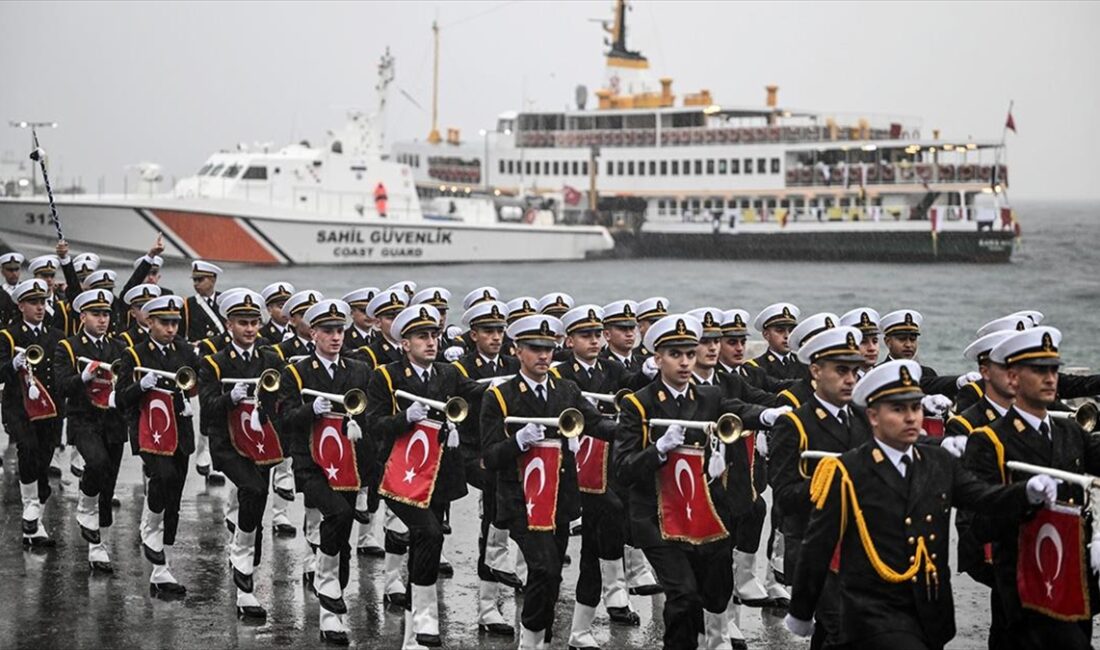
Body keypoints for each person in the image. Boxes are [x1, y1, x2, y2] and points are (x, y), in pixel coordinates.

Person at [785, 359, 1058, 650]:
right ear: (874, 416)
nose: (911, 418)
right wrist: (801, 611)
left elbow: (982, 497)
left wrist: (1025, 493)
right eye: (898, 409)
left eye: (915, 408)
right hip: (871, 613)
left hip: (929, 610)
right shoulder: (849, 471)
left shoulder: (938, 463)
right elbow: (818, 545)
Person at [481, 314, 617, 649]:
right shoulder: (500, 397)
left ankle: (541, 637)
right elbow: (490, 456)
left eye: (549, 348)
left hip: (558, 499)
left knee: (553, 573)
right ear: (517, 350)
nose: (544, 355)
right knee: (541, 568)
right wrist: (518, 441)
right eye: (535, 348)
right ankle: (530, 642)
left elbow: (598, 424)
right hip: (521, 500)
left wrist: (640, 429)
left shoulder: (566, 390)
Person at [963, 327, 1100, 650]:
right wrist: (1024, 499)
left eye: (1053, 369)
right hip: (1024, 583)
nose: (1051, 378)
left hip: (1073, 581)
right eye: (1039, 370)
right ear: (1012, 378)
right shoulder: (990, 440)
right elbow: (979, 525)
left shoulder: (1071, 432)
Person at [614, 313, 740, 649]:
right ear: (657, 359)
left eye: (689, 353)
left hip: (700, 511)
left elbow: (737, 409)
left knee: (714, 586)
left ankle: (713, 638)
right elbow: (623, 469)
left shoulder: (709, 396)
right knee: (682, 594)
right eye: (675, 354)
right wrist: (658, 449)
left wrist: (775, 415)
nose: (685, 362)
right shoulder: (639, 404)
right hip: (655, 516)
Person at [365, 304, 485, 648]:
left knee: (428, 541)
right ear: (405, 343)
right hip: (398, 474)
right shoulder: (385, 376)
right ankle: (424, 617)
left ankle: (413, 630)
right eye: (421, 337)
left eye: (433, 335)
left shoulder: (448, 373)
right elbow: (373, 424)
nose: (431, 342)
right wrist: (405, 418)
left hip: (438, 474)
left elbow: (475, 393)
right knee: (428, 531)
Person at [275, 299, 371, 646]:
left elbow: (369, 415)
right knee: (338, 512)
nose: (335, 337)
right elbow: (284, 419)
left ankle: (333, 606)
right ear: (312, 332)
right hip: (310, 465)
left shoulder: (359, 370)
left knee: (342, 539)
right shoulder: (296, 373)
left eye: (340, 330)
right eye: (328, 330)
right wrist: (308, 411)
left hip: (347, 465)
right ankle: (326, 588)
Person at [768, 325, 869, 649]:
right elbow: (783, 497)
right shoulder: (795, 424)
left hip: (856, 545)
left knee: (832, 634)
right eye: (841, 370)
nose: (851, 379)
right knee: (841, 629)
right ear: (815, 370)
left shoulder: (863, 419)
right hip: (813, 549)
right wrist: (824, 483)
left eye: (855, 370)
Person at [550, 305, 640, 649]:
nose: (594, 341)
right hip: (569, 462)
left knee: (604, 529)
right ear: (570, 340)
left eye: (598, 334)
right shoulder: (562, 375)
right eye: (585, 335)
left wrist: (650, 371)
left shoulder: (613, 368)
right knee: (557, 545)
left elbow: (634, 389)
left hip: (606, 462)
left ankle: (602, 608)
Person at [197, 289, 284, 620]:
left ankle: (245, 583)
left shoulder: (270, 360)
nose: (249, 329)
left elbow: (282, 401)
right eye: (242, 323)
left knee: (256, 508)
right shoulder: (214, 364)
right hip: (227, 445)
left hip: (260, 444)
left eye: (254, 323)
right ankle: (241, 557)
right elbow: (207, 409)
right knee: (254, 489)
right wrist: (230, 398)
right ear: (229, 324)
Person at [115, 295, 200, 598]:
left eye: (175, 322)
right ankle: (149, 528)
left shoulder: (186, 351)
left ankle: (161, 568)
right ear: (148, 322)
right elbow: (120, 398)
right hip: (149, 432)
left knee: (175, 493)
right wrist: (141, 385)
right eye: (164, 322)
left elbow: (197, 382)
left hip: (180, 431)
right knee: (161, 478)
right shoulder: (134, 355)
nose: (171, 328)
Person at [451, 299, 521, 636]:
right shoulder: (462, 366)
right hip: (471, 450)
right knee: (496, 490)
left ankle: (505, 558)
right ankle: (488, 602)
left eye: (499, 330)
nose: (496, 337)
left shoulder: (511, 361)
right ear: (473, 334)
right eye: (488, 331)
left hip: (503, 449)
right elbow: (467, 391)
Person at [55, 289, 129, 572]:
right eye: (96, 314)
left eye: (106, 314)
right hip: (83, 419)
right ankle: (85, 504)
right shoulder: (69, 347)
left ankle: (98, 546)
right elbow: (62, 386)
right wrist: (83, 377)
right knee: (96, 463)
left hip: (113, 420)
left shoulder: (119, 346)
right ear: (82, 316)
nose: (103, 320)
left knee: (108, 484)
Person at [0, 278, 66, 547]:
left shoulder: (56, 337)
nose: (40, 308)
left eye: (43, 302)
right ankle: (30, 509)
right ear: (20, 305)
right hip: (19, 408)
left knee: (44, 459)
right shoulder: (7, 336)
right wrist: (12, 365)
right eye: (33, 303)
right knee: (27, 449)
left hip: (50, 410)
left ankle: (34, 522)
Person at [877, 309, 976, 399]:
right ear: (887, 342)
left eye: (913, 339)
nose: (908, 345)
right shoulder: (878, 373)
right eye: (902, 339)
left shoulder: (927, 373)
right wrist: (957, 381)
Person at [747, 302, 801, 380]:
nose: (787, 336)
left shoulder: (804, 364)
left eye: (791, 331)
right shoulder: (755, 367)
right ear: (766, 334)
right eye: (780, 330)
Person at [839, 307, 881, 378]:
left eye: (875, 341)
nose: (872, 348)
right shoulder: (842, 383)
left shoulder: (884, 378)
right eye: (863, 342)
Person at [117, 284, 161, 348]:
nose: (147, 312)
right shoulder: (126, 339)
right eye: (142, 308)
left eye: (150, 307)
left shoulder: (167, 335)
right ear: (133, 313)